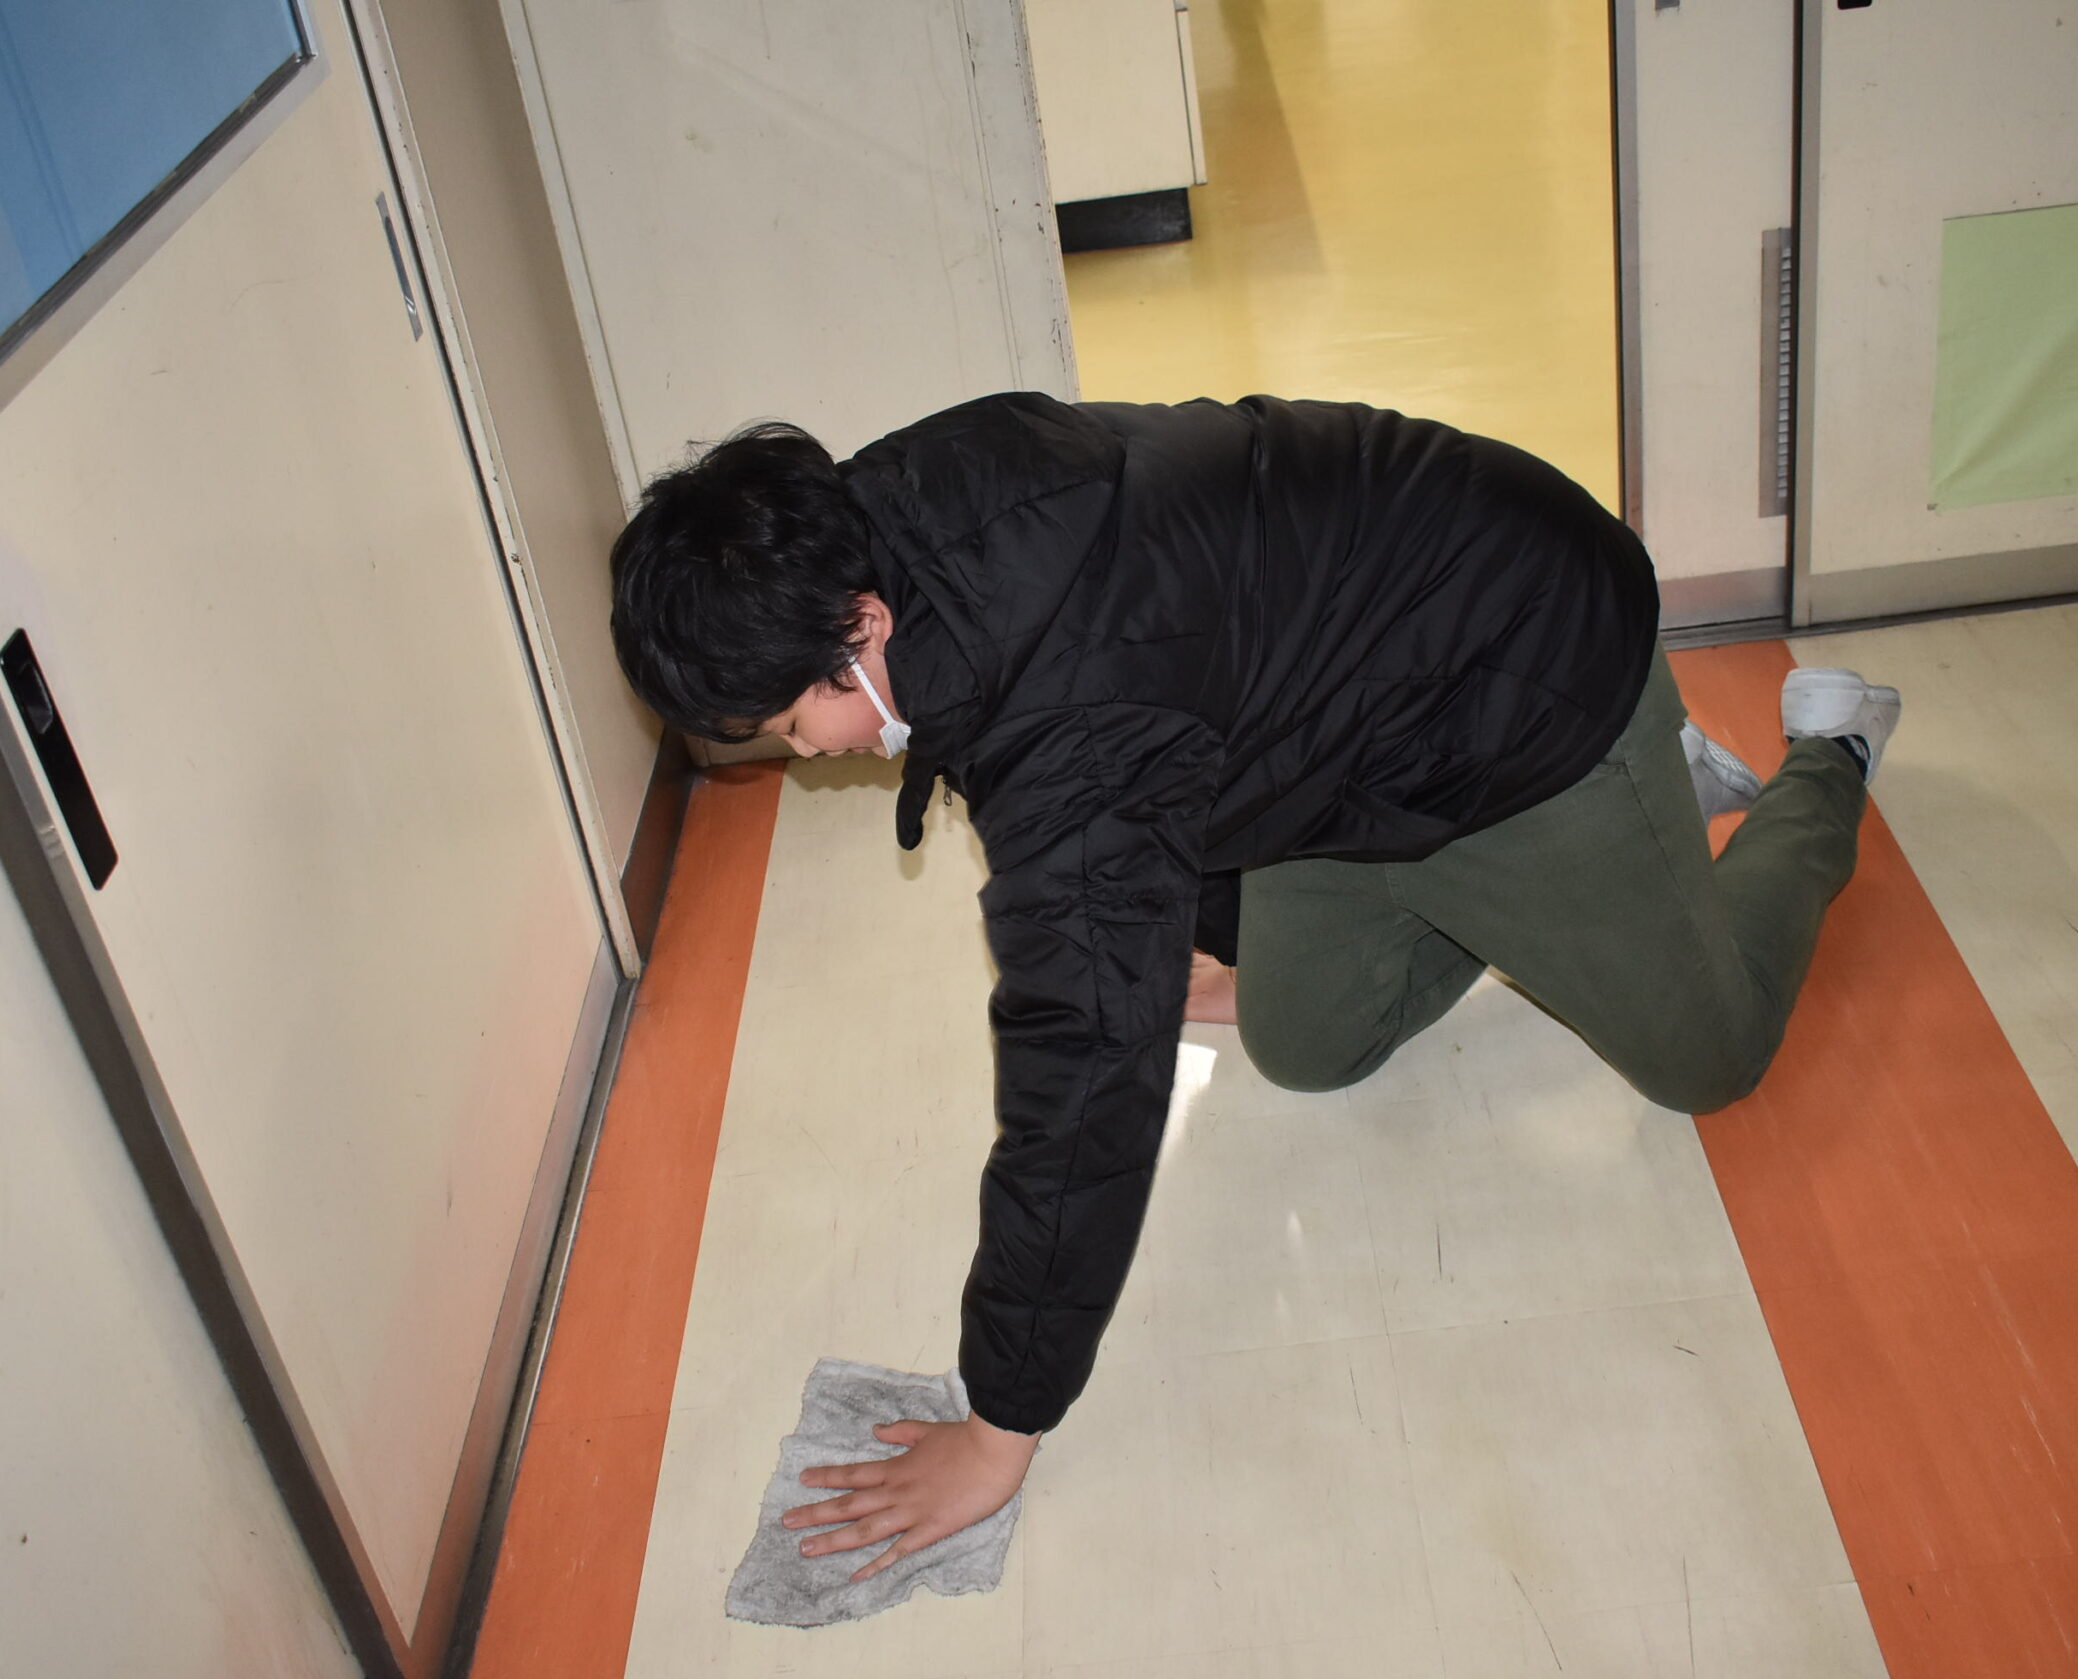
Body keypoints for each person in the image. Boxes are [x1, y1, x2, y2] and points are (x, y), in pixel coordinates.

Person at [607, 392, 1900, 1583]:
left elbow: (1081, 1097)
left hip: (1530, 678)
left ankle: (1808, 760)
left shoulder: (1071, 722)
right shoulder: (893, 512)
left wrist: (1000, 1426)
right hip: (1350, 733)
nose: (807, 755)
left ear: (861, 629)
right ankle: (1593, 879)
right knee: (1306, 1045)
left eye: (792, 725)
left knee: (1708, 1060)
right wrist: (1191, 934)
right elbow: (1190, 677)